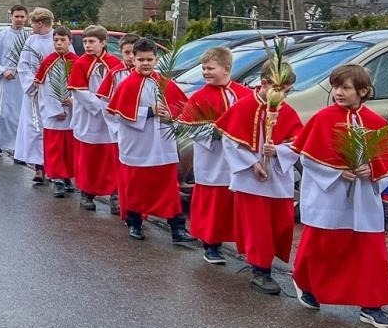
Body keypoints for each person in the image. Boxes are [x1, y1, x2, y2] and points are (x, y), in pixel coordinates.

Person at [291, 63, 388, 328]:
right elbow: (308, 159)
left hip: (364, 199)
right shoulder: (322, 119)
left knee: (370, 252)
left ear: (363, 91)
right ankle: (305, 283)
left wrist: (372, 169)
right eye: (336, 87)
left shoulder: (375, 123)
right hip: (330, 198)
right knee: (321, 246)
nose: (338, 92)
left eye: (345, 87)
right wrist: (336, 173)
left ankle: (371, 305)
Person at [218, 62, 302, 293]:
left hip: (278, 177)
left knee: (280, 225)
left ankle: (265, 264)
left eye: (287, 90)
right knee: (258, 228)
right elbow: (230, 140)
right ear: (264, 83)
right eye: (280, 89)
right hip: (251, 180)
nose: (283, 95)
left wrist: (279, 151)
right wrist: (252, 163)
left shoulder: (288, 111)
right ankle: (260, 271)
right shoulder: (244, 106)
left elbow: (298, 143)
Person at [106, 38, 194, 245]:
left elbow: (182, 107)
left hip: (162, 145)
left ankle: (177, 229)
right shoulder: (127, 84)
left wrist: (169, 115)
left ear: (157, 59)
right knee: (137, 186)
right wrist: (149, 112)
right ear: (133, 60)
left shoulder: (164, 82)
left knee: (168, 187)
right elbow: (117, 113)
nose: (145, 63)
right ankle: (135, 222)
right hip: (138, 144)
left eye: (149, 59)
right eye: (141, 59)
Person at [179, 46, 255, 265]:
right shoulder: (199, 97)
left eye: (210, 68)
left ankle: (242, 245)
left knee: (236, 204)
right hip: (213, 159)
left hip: (240, 159)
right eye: (204, 69)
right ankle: (211, 245)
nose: (206, 72)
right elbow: (188, 127)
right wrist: (216, 132)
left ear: (227, 68)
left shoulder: (244, 95)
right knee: (213, 204)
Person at [67, 25, 123, 211]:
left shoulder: (115, 63)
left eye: (92, 42)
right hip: (89, 116)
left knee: (110, 156)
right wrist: (98, 105)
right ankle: (87, 193)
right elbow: (78, 90)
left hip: (110, 117)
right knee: (88, 157)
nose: (87, 45)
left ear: (103, 42)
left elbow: (121, 87)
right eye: (85, 42)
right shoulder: (81, 63)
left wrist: (111, 106)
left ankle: (115, 194)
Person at [12, 8, 56, 185]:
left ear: (40, 23)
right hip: (34, 93)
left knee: (51, 131)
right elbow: (23, 65)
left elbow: (68, 65)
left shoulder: (58, 39)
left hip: (53, 95)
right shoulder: (31, 40)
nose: (30, 26)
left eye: (31, 22)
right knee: (34, 130)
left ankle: (55, 169)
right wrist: (34, 82)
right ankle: (39, 167)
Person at [34, 29, 79, 195]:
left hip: (72, 112)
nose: (59, 43)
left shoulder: (76, 61)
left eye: (62, 40)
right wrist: (56, 109)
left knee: (69, 147)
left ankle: (67, 176)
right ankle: (56, 178)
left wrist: (73, 103)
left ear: (70, 41)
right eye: (56, 40)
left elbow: (81, 88)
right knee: (55, 147)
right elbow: (44, 89)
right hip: (54, 114)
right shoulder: (48, 61)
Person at [0, 5, 29, 158]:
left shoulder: (29, 36)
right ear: (11, 17)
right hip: (5, 80)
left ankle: (18, 148)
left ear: (26, 18)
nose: (19, 20)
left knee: (19, 114)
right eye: (17, 16)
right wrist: (3, 71)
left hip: (21, 81)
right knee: (1, 114)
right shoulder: (0, 36)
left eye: (22, 17)